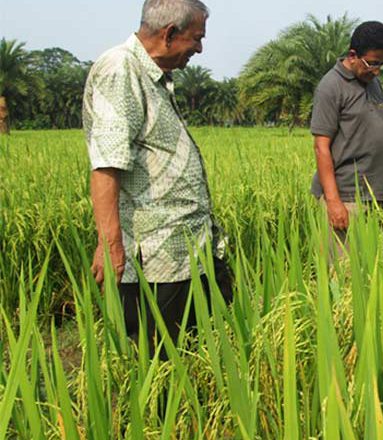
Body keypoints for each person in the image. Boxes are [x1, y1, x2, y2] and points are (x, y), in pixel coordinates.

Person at [83, 0, 232, 357]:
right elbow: (107, 163)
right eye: (196, 38)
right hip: (157, 258)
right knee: (161, 359)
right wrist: (110, 243)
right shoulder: (120, 70)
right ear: (170, 34)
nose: (199, 48)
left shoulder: (156, 76)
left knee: (195, 348)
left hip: (186, 249)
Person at [310, 21, 383, 250]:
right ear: (352, 55)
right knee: (344, 277)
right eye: (372, 63)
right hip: (346, 198)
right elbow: (321, 147)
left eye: (382, 64)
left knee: (373, 275)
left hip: (374, 197)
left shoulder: (374, 84)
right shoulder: (331, 87)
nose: (377, 71)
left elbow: (374, 138)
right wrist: (333, 202)